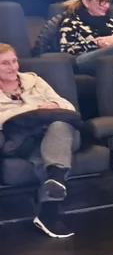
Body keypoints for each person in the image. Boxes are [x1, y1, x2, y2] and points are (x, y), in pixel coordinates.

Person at [0, 43, 78, 238]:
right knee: (52, 145)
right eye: (5, 64)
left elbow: (67, 106)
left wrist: (52, 106)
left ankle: (54, 180)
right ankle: (50, 209)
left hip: (54, 133)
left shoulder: (34, 80)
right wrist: (37, 110)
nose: (13, 67)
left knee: (59, 128)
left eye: (14, 61)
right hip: (21, 139)